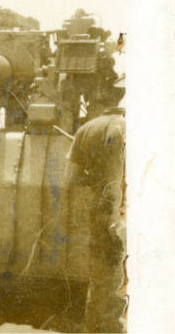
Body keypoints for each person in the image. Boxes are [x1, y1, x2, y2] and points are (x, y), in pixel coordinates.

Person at [67, 107, 126, 333]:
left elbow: (71, 178)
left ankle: (96, 327)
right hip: (128, 209)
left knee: (101, 273)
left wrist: (93, 179)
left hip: (102, 209)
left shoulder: (86, 129)